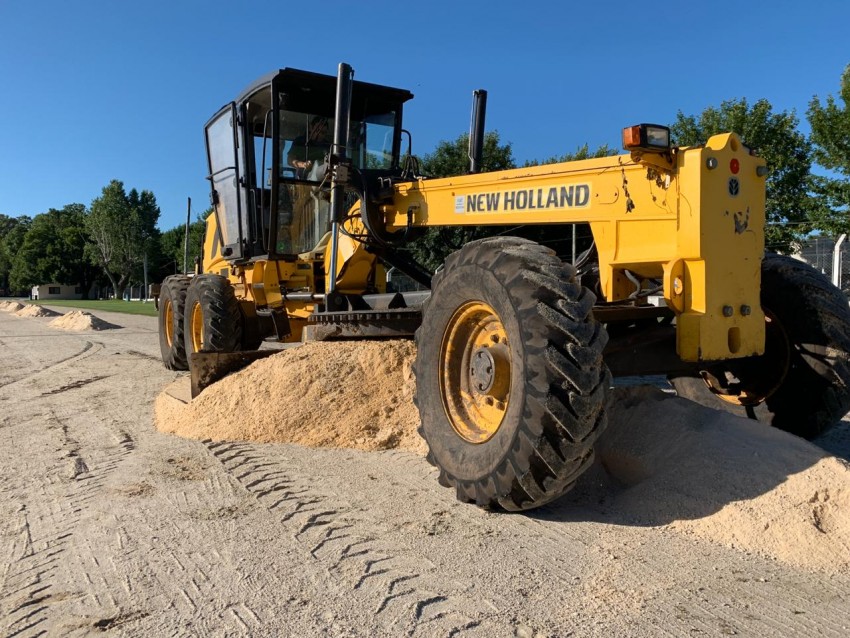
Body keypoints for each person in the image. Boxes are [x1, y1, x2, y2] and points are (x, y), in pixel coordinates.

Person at [287, 116, 332, 180]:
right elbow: (289, 160)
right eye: (317, 130)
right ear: (311, 127)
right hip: (303, 180)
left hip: (322, 181)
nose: (320, 135)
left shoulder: (327, 146)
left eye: (323, 132)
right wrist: (303, 164)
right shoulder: (300, 141)